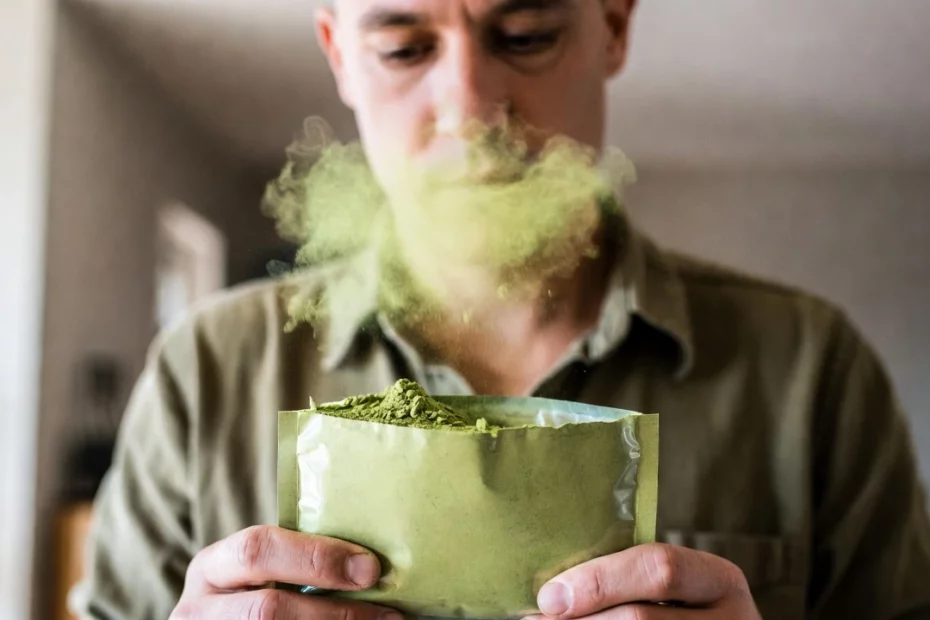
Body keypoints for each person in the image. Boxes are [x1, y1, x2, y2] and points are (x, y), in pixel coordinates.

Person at [72, 0, 930, 618]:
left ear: (616, 25)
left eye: (525, 36)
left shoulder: (813, 368)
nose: (472, 106)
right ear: (338, 51)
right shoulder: (206, 369)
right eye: (406, 47)